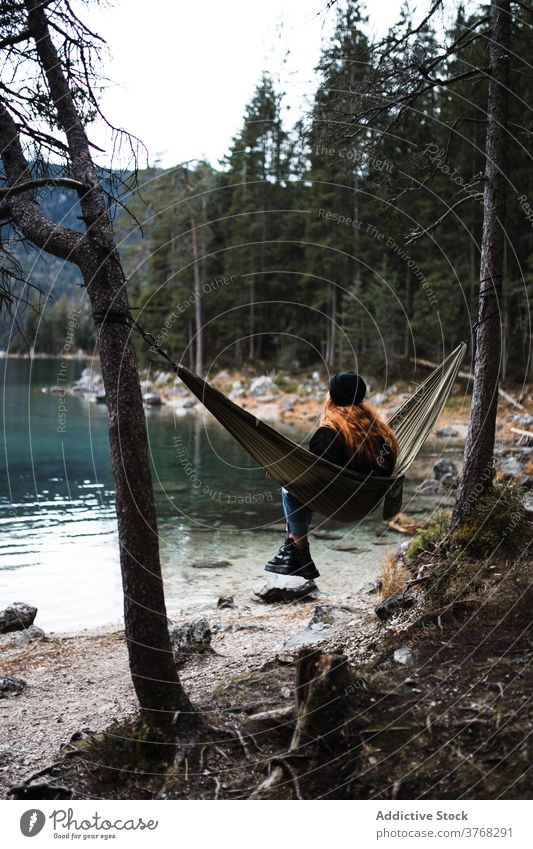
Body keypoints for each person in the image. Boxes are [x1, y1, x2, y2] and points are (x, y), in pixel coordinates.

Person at [264, 370, 399, 580]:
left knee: (290, 488)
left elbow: (316, 478)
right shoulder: (381, 433)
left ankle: (298, 550)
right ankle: (294, 553)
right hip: (367, 501)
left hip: (340, 500)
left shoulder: (328, 433)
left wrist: (281, 472)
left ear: (332, 396)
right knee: (295, 485)